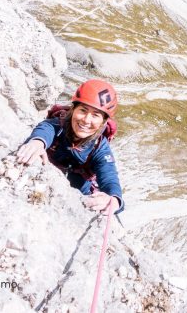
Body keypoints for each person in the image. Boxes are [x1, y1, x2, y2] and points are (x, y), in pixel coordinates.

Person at [17, 79, 123, 214]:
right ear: (73, 110)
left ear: (103, 122)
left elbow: (109, 176)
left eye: (95, 115)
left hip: (81, 189)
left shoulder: (100, 148)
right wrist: (37, 142)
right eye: (83, 110)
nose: (86, 120)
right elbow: (46, 129)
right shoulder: (58, 125)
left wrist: (113, 199)